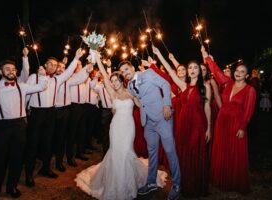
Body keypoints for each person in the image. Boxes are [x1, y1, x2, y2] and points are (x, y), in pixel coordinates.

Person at [75, 51, 167, 200]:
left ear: (121, 80)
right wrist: (97, 58)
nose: (114, 83)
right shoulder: (112, 93)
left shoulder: (131, 91)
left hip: (129, 127)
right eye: (112, 81)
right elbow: (104, 75)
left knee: (126, 152)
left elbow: (141, 104)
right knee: (116, 152)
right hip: (116, 126)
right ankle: (115, 183)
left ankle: (128, 183)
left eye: (116, 80)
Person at [119, 53, 181, 200]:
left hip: (162, 118)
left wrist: (167, 104)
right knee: (151, 153)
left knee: (170, 151)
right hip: (147, 122)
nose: (125, 73)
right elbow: (139, 101)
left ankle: (177, 184)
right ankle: (151, 182)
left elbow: (165, 84)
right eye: (122, 72)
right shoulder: (129, 85)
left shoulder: (147, 74)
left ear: (132, 68)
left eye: (126, 69)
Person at [153, 46, 211, 197]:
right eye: (190, 67)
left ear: (199, 70)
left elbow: (207, 108)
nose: (192, 70)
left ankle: (195, 185)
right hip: (183, 124)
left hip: (197, 125)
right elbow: (171, 72)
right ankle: (181, 183)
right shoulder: (183, 85)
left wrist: (209, 128)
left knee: (194, 152)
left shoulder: (205, 87)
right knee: (182, 153)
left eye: (195, 67)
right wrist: (159, 54)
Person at [0, 56, 47, 200]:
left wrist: (42, 75)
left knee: (17, 158)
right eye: (7, 69)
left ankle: (11, 187)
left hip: (20, 126)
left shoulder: (22, 86)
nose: (11, 71)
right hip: (1, 127)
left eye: (13, 69)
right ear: (0, 71)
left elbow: (41, 86)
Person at [24, 48, 83, 187]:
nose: (52, 66)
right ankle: (28, 174)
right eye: (50, 64)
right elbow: (26, 94)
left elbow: (68, 72)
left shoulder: (57, 79)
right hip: (36, 113)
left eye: (55, 65)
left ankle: (46, 168)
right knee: (33, 144)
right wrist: (24, 111)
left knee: (48, 142)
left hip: (50, 113)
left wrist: (76, 58)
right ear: (45, 65)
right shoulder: (34, 77)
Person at [201, 46, 256, 194]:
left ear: (247, 75)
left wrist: (242, 128)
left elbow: (248, 111)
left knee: (234, 154)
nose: (238, 73)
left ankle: (233, 182)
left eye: (242, 72)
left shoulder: (250, 90)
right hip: (222, 122)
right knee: (222, 150)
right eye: (237, 71)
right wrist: (206, 57)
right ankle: (220, 178)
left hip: (236, 124)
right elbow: (217, 72)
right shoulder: (228, 83)